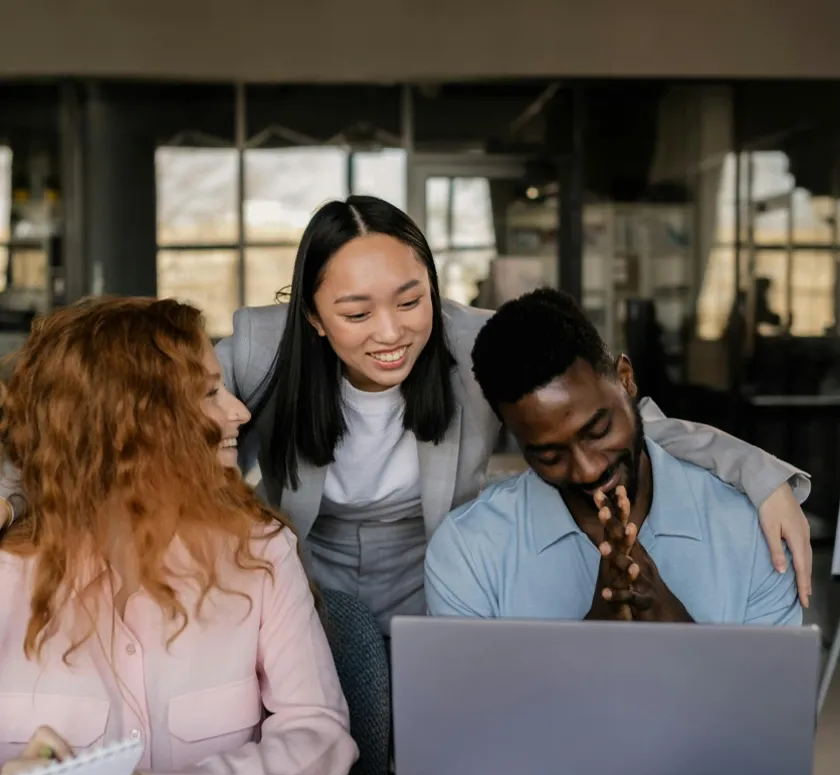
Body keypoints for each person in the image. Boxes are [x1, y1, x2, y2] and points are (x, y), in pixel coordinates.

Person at [0, 197, 811, 634]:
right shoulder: (257, 348)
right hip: (306, 575)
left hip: (431, 572)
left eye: (410, 298)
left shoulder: (473, 345)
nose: (391, 333)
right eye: (355, 313)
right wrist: (13, 492)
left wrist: (759, 474)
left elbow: (612, 417)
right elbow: (109, 408)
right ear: (313, 317)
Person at [0, 299, 357, 775]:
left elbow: (319, 736)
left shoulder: (259, 553)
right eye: (209, 393)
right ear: (131, 423)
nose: (238, 413)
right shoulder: (8, 570)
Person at [425, 289, 800, 626]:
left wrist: (676, 630)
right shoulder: (468, 552)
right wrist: (597, 638)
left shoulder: (751, 532)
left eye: (597, 431)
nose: (588, 470)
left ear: (626, 379)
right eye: (550, 455)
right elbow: (472, 703)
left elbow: (773, 701)